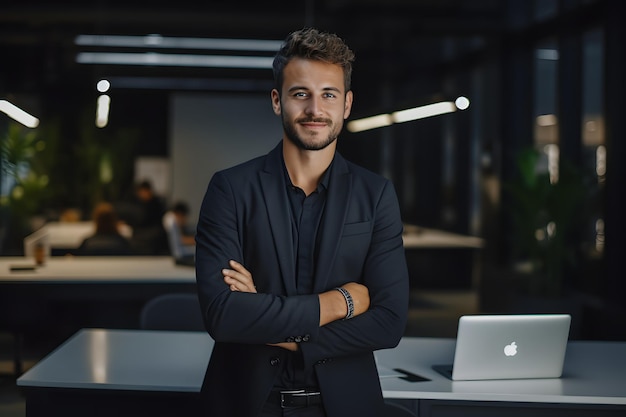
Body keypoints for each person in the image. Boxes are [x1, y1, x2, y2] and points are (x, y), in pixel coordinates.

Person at [195, 27, 409, 417]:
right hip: (245, 404)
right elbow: (224, 315)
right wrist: (340, 302)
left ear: (346, 104)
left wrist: (270, 322)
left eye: (328, 94)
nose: (315, 109)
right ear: (278, 101)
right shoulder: (230, 189)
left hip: (345, 406)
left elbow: (389, 323)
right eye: (300, 94)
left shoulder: (375, 195)